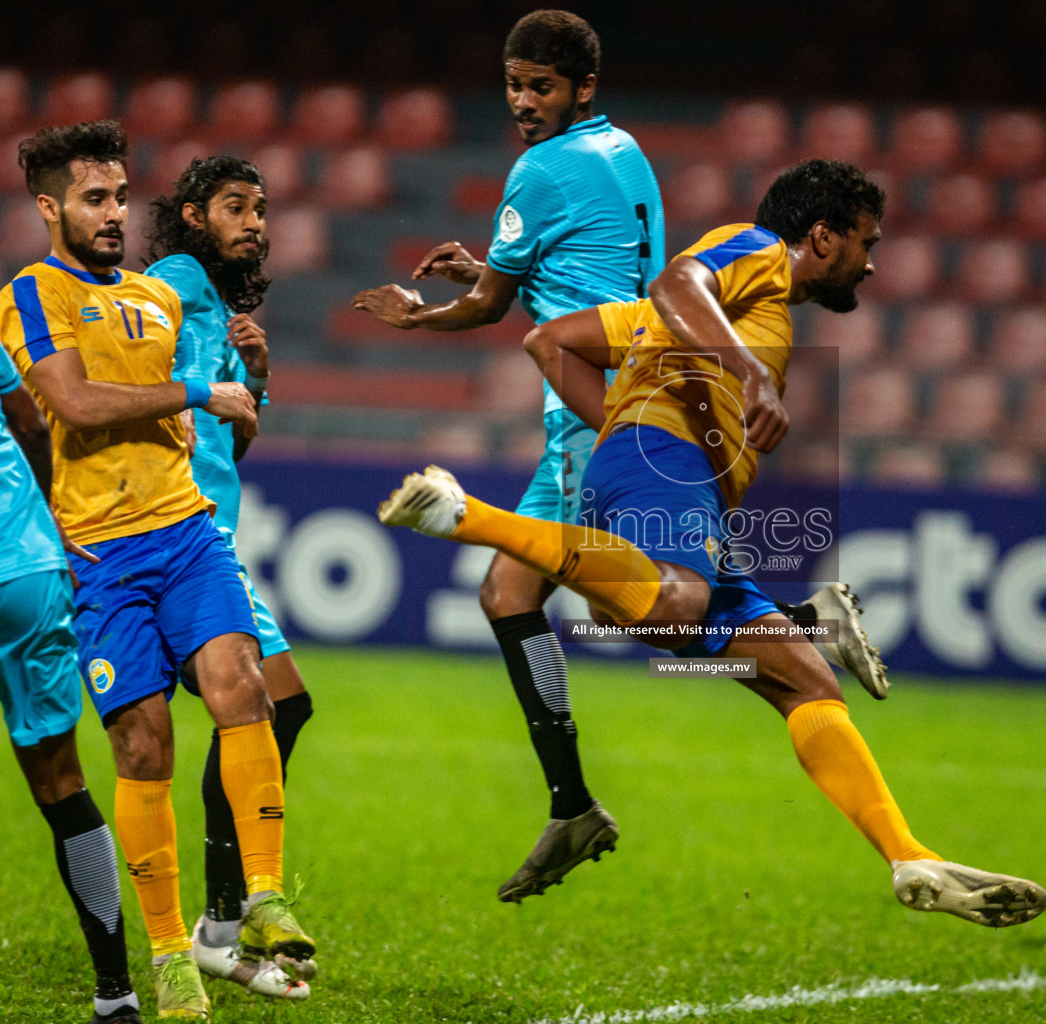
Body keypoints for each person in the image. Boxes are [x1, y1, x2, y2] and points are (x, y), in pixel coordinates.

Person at [379, 160, 1046, 928]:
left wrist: (624, 423)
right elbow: (675, 283)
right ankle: (467, 516)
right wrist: (736, 387)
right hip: (664, 473)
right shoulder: (756, 249)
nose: (872, 260)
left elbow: (549, 342)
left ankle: (909, 854)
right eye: (868, 241)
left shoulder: (709, 320)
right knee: (674, 604)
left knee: (808, 686)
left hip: (681, 488)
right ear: (821, 237)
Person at [353, 10, 886, 903]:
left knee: (631, 608)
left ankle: (581, 798)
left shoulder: (538, 167)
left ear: (580, 87)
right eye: (515, 85)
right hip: (642, 366)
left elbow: (495, 310)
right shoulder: (625, 152)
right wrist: (482, 273)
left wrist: (425, 313)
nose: (524, 103)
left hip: (600, 393)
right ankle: (583, 795)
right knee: (533, 594)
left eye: (541, 87)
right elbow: (589, 269)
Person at [0, 120, 313, 1019]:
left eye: (122, 197)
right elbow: (74, 404)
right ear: (49, 206)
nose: (113, 214)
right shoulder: (28, 293)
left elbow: (217, 436)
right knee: (143, 745)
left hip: (186, 532)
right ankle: (169, 952)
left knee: (244, 685)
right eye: (94, 199)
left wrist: (244, 398)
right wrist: (201, 391)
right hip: (100, 554)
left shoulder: (157, 299)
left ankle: (260, 896)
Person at [0, 274, 142, 1023]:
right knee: (63, 785)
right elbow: (28, 416)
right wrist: (50, 512)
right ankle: (116, 993)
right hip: (27, 564)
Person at [143, 156, 314, 999]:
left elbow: (232, 438)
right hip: (178, 532)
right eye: (234, 207)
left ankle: (218, 921)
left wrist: (256, 377)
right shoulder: (172, 280)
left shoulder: (218, 304)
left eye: (261, 208)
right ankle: (215, 923)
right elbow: (140, 385)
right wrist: (208, 385)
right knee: (263, 705)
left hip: (212, 532)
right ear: (192, 215)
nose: (254, 221)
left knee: (271, 707)